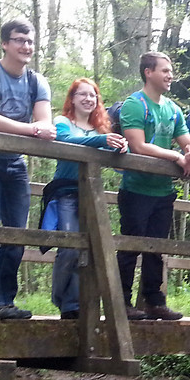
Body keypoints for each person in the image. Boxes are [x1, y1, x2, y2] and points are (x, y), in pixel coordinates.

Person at [0, 18, 55, 319]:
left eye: (29, 41)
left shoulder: (36, 81)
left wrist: (36, 129)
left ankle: (8, 301)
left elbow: (46, 124)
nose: (26, 46)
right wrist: (32, 130)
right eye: (19, 40)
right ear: (5, 43)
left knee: (17, 232)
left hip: (15, 160)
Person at [118, 51, 190, 321]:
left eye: (171, 71)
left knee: (156, 247)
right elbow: (138, 145)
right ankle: (121, 302)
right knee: (131, 246)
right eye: (164, 70)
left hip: (163, 191)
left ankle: (154, 301)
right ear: (148, 72)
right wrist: (176, 156)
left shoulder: (173, 109)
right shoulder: (134, 104)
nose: (170, 75)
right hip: (136, 189)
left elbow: (186, 140)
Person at [47, 79, 128, 319]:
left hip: (91, 195)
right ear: (72, 99)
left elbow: (120, 165)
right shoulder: (63, 122)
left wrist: (121, 147)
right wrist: (101, 141)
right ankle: (60, 297)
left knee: (89, 251)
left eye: (92, 95)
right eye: (82, 94)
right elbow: (65, 143)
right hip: (65, 193)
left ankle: (73, 305)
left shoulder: (100, 129)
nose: (88, 99)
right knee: (70, 248)